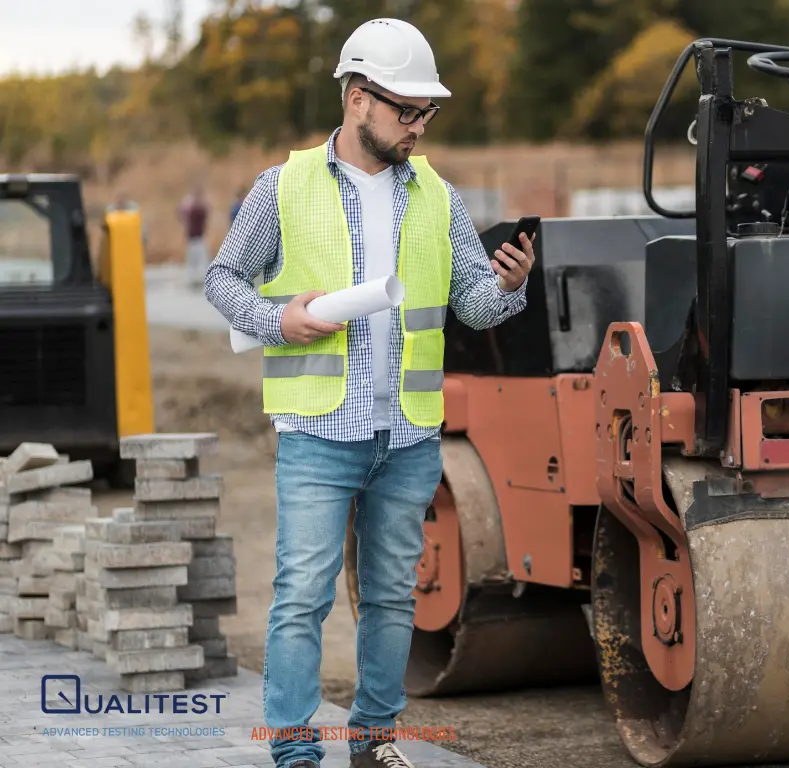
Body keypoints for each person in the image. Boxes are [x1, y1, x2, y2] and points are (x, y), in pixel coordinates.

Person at [202, 17, 535, 768]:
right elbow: (222, 280)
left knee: (391, 597)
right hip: (318, 432)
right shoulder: (283, 187)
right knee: (302, 597)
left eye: (427, 112)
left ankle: (374, 739)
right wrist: (277, 320)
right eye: (406, 110)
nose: (418, 125)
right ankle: (295, 753)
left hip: (409, 435)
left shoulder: (437, 196)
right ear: (358, 99)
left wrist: (509, 286)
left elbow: (473, 306)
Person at [179, 185, 209, 286]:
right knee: (192, 259)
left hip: (199, 237)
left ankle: (201, 277)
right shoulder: (192, 208)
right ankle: (192, 278)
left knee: (201, 258)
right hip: (192, 237)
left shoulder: (198, 209)